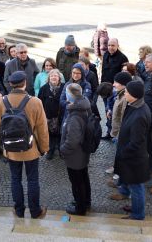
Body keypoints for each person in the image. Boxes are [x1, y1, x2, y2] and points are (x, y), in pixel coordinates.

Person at [0, 71, 49, 219]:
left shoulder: (1, 101)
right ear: (25, 83)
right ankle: (35, 211)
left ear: (10, 84)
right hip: (32, 148)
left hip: (11, 149)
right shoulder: (35, 102)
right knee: (33, 180)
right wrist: (44, 149)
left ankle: (19, 210)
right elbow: (42, 129)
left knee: (15, 179)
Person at [114, 80, 151, 220]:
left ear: (134, 95)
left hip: (134, 157)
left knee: (136, 187)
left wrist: (124, 152)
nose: (125, 94)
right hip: (132, 155)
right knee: (133, 184)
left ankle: (137, 214)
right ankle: (135, 207)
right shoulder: (135, 106)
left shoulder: (140, 115)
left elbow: (137, 141)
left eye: (127, 92)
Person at [60, 84, 92, 216]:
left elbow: (72, 140)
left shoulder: (75, 116)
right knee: (83, 177)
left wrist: (63, 149)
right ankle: (86, 202)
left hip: (75, 155)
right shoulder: (84, 106)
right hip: (82, 153)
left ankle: (80, 208)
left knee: (77, 182)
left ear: (71, 96)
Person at [107, 72, 133, 201]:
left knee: (123, 162)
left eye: (116, 82)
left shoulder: (124, 98)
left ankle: (124, 190)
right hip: (118, 133)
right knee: (119, 160)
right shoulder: (120, 94)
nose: (113, 84)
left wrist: (119, 135)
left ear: (123, 84)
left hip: (121, 134)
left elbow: (124, 119)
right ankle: (120, 184)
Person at [101, 38, 129, 139]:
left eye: (113, 45)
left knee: (115, 113)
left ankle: (116, 134)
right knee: (107, 111)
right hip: (105, 89)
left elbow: (125, 77)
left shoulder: (123, 58)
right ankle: (109, 132)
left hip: (116, 91)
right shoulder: (105, 55)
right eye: (109, 45)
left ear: (117, 45)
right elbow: (103, 71)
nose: (110, 47)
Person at [38, 69, 64, 160]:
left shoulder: (64, 87)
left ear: (59, 78)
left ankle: (62, 151)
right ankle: (50, 151)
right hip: (48, 116)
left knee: (61, 134)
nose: (53, 77)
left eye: (56, 76)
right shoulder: (43, 88)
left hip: (61, 116)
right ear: (49, 78)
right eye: (52, 76)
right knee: (49, 135)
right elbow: (40, 103)